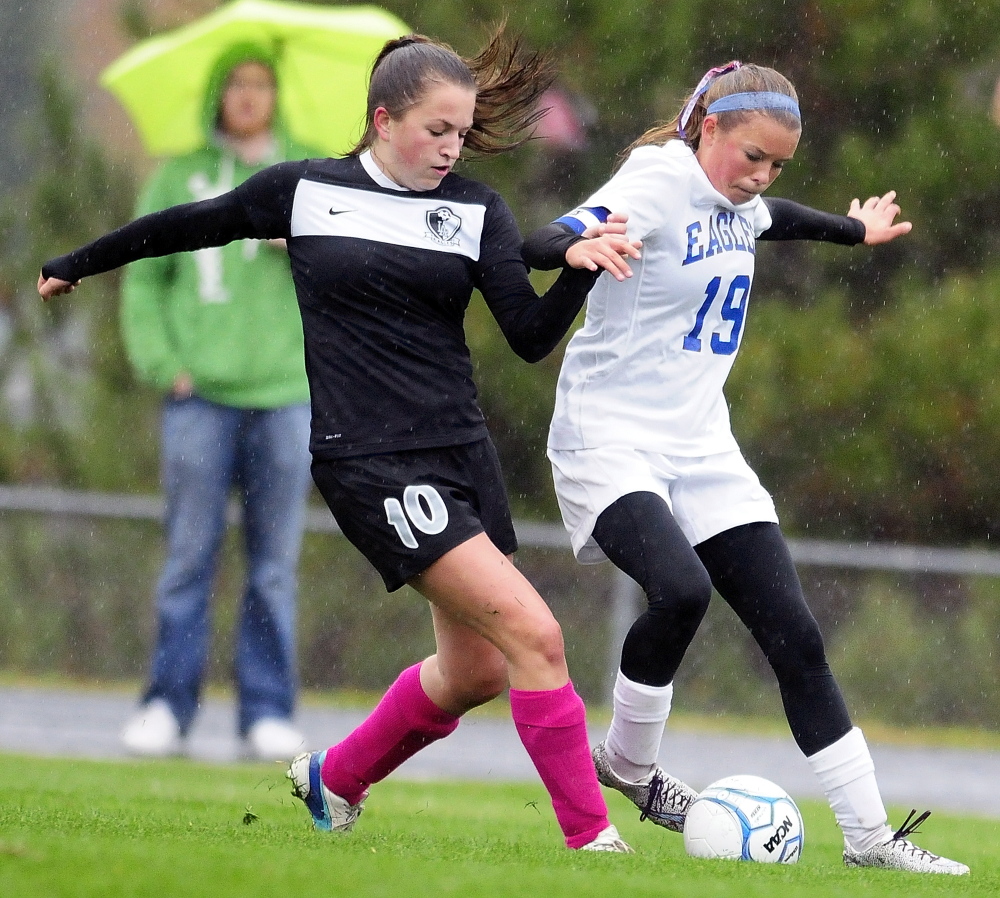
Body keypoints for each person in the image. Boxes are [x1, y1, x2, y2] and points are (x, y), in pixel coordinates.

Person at [39, 29, 643, 852]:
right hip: (371, 460)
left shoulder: (474, 209)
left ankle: (335, 778)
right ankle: (593, 842)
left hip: (460, 454)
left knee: (479, 670)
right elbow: (188, 224)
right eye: (437, 130)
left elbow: (531, 336)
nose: (452, 148)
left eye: (462, 133)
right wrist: (78, 260)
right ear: (382, 118)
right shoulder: (305, 192)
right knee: (538, 637)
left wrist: (576, 263)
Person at [522, 61, 970, 874]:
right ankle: (627, 763)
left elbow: (775, 220)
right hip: (610, 438)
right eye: (752, 156)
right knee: (681, 590)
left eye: (776, 165)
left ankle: (872, 840)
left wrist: (851, 229)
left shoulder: (742, 202)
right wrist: (578, 243)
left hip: (702, 446)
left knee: (796, 637)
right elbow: (541, 240)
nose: (760, 177)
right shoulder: (657, 179)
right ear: (709, 128)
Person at [113, 47, 318, 763]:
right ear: (218, 93)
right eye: (236, 83)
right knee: (188, 557)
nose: (248, 96)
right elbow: (143, 277)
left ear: (276, 94)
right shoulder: (179, 176)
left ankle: (266, 711)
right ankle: (167, 706)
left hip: (287, 396)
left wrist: (301, 238)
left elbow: (355, 261)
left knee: (273, 564)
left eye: (261, 83)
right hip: (199, 398)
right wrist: (162, 363)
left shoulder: (308, 174)